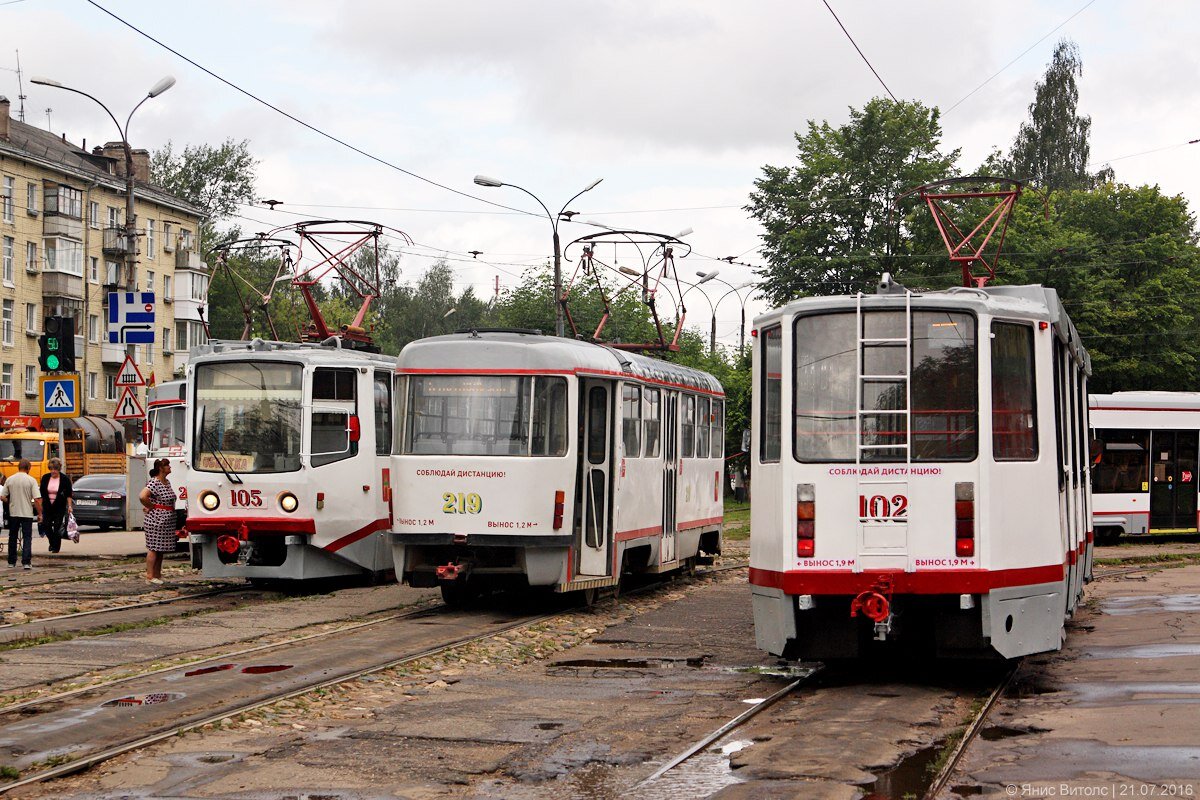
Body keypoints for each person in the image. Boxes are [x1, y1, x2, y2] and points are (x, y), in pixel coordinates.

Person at [139, 458, 176, 585]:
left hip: (166, 520)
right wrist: (151, 506)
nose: (170, 468)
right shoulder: (154, 482)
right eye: (167, 466)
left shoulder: (167, 482)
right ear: (161, 468)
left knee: (160, 549)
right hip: (156, 519)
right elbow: (143, 496)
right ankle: (150, 576)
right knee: (154, 548)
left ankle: (157, 575)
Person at [2, 459, 42, 569]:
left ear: (18, 467)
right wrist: (40, 514)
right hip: (27, 513)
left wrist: (10, 501)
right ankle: (26, 562)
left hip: (14, 512)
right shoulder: (31, 480)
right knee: (27, 537)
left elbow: (2, 496)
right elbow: (37, 499)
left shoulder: (10, 479)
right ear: (29, 468)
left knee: (12, 537)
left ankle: (11, 561)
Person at [39, 457, 74, 554]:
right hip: (47, 506)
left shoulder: (65, 479)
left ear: (59, 469)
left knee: (58, 526)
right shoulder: (45, 478)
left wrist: (69, 506)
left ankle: (56, 547)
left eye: (55, 469)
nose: (53, 471)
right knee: (46, 525)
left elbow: (69, 495)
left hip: (59, 506)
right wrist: (40, 507)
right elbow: (41, 493)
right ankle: (52, 542)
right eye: (51, 469)